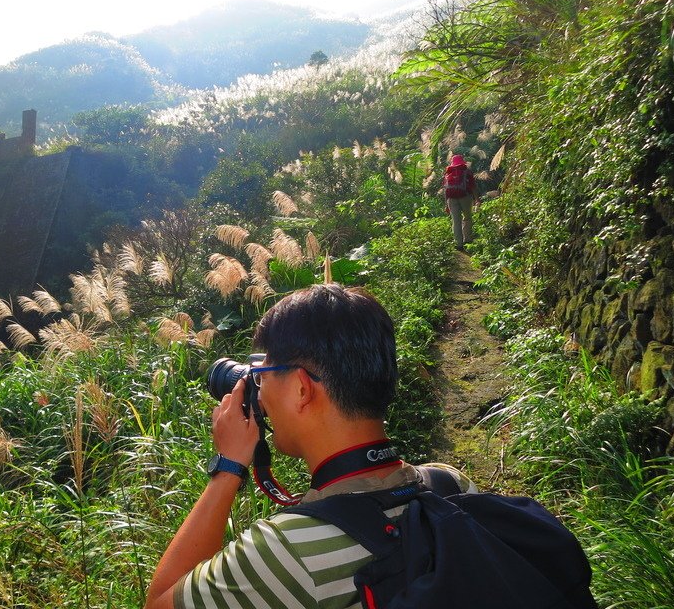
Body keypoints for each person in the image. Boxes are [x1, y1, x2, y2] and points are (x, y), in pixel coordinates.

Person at [144, 284, 473, 609]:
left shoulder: (286, 552)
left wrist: (228, 467)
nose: (259, 390)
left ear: (302, 389)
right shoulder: (450, 485)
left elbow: (159, 602)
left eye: (264, 375)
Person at [442, 154, 479, 250]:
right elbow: (473, 186)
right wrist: (477, 199)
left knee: (456, 221)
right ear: (462, 161)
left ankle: (459, 244)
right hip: (465, 197)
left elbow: (445, 190)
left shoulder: (447, 173)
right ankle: (467, 239)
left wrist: (446, 204)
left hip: (451, 199)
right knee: (467, 217)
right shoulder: (467, 171)